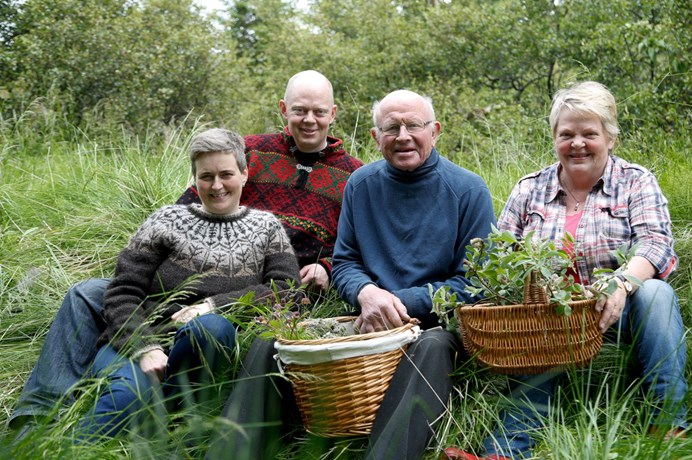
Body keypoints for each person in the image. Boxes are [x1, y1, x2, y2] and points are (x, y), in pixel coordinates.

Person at [7, 70, 363, 438]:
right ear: (283, 109)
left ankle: (154, 399)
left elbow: (356, 244)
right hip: (190, 271)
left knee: (188, 321)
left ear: (333, 113)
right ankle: (40, 413)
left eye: (319, 112)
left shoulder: (354, 176)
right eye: (300, 110)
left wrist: (326, 265)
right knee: (87, 293)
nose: (309, 120)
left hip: (253, 284)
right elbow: (189, 210)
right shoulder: (248, 151)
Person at [205, 89, 496, 459]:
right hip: (362, 319)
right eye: (391, 128)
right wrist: (365, 293)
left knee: (432, 347)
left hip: (433, 325)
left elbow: (476, 283)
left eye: (414, 126)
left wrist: (397, 301)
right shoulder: (361, 184)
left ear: (435, 131)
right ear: (376, 138)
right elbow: (344, 262)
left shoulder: (468, 190)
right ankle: (231, 452)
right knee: (271, 341)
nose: (403, 136)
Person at [442, 81, 688, 460]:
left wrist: (621, 284)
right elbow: (499, 256)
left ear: (610, 138)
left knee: (658, 293)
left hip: (618, 310)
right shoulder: (529, 190)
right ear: (554, 138)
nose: (577, 144)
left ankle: (667, 424)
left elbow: (655, 244)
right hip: (552, 314)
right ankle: (502, 453)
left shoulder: (636, 181)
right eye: (566, 134)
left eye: (589, 134)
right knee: (541, 326)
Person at [76, 128, 300, 440]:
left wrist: (212, 306)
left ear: (245, 174)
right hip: (137, 345)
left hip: (202, 352)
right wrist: (146, 348)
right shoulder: (165, 221)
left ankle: (170, 423)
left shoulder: (266, 229)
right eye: (206, 176)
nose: (217, 185)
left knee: (212, 327)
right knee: (128, 396)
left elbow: (286, 290)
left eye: (226, 174)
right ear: (194, 178)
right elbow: (122, 291)